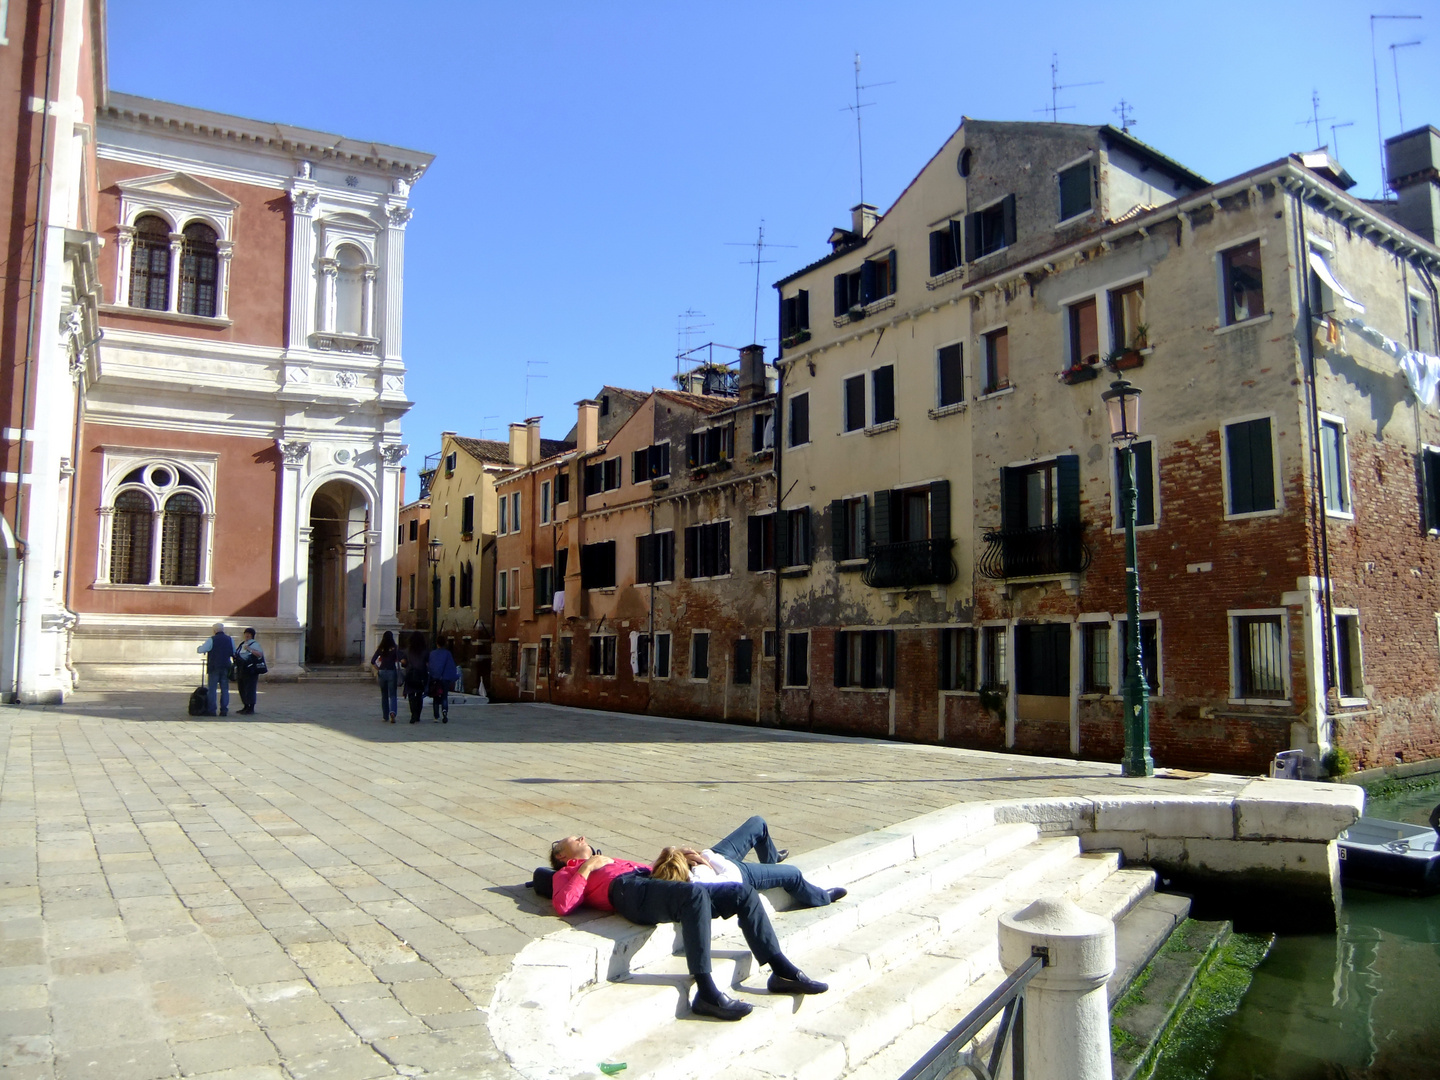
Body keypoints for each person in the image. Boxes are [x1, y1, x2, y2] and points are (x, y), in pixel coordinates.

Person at [548, 827, 832, 1022]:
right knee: (694, 895)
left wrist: (675, 860)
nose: (582, 837)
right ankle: (706, 992)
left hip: (648, 884)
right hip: (627, 894)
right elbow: (563, 904)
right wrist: (586, 868)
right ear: (561, 856)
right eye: (574, 838)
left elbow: (652, 871)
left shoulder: (608, 857)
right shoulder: (566, 873)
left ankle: (781, 970)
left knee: (741, 892)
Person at [655, 816, 845, 909]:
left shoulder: (675, 872)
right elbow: (731, 879)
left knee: (757, 823)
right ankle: (822, 897)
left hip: (717, 858)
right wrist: (707, 860)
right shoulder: (700, 884)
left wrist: (692, 856)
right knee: (793, 874)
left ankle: (770, 859)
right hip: (736, 871)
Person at [196, 623, 235, 717]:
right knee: (225, 689)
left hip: (214, 666)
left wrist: (200, 647)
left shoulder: (211, 639)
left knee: (212, 689)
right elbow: (233, 652)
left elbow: (201, 650)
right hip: (226, 666)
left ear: (214, 630)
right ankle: (224, 710)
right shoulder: (230, 639)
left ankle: (212, 710)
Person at [427, 634, 460, 723]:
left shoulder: (432, 654)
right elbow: (451, 667)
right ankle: (444, 712)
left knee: (436, 697)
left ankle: (436, 716)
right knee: (444, 696)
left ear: (437, 643)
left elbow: (430, 667)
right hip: (445, 679)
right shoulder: (448, 654)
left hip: (436, 679)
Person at [235, 628, 265, 715]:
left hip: (251, 669)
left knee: (250, 688)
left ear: (252, 635)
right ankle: (245, 705)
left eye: (249, 634)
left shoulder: (255, 644)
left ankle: (251, 707)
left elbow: (259, 654)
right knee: (242, 687)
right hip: (242, 668)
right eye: (246, 634)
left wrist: (249, 649)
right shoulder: (242, 644)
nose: (247, 636)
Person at [401, 631, 430, 724]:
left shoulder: (407, 651)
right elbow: (427, 663)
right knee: (419, 695)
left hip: (410, 674)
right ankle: (417, 714)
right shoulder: (425, 651)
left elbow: (404, 663)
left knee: (411, 695)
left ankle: (413, 714)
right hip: (421, 675)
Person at [371, 631, 400, 723]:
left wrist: (378, 668)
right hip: (391, 671)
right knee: (393, 694)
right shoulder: (395, 648)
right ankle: (393, 712)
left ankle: (385, 716)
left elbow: (372, 661)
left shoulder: (381, 648)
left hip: (382, 671)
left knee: (384, 695)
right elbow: (399, 658)